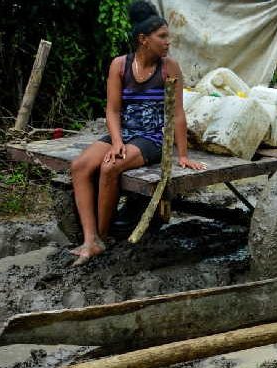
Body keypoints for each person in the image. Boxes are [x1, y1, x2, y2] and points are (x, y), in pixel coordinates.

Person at [67, 1, 205, 266]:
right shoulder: (119, 65)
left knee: (110, 167)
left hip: (152, 138)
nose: (168, 42)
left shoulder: (169, 68)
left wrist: (183, 154)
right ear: (143, 39)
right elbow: (113, 111)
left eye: (168, 36)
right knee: (80, 166)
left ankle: (101, 237)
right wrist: (116, 141)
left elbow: (177, 113)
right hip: (125, 132)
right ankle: (89, 237)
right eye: (162, 37)